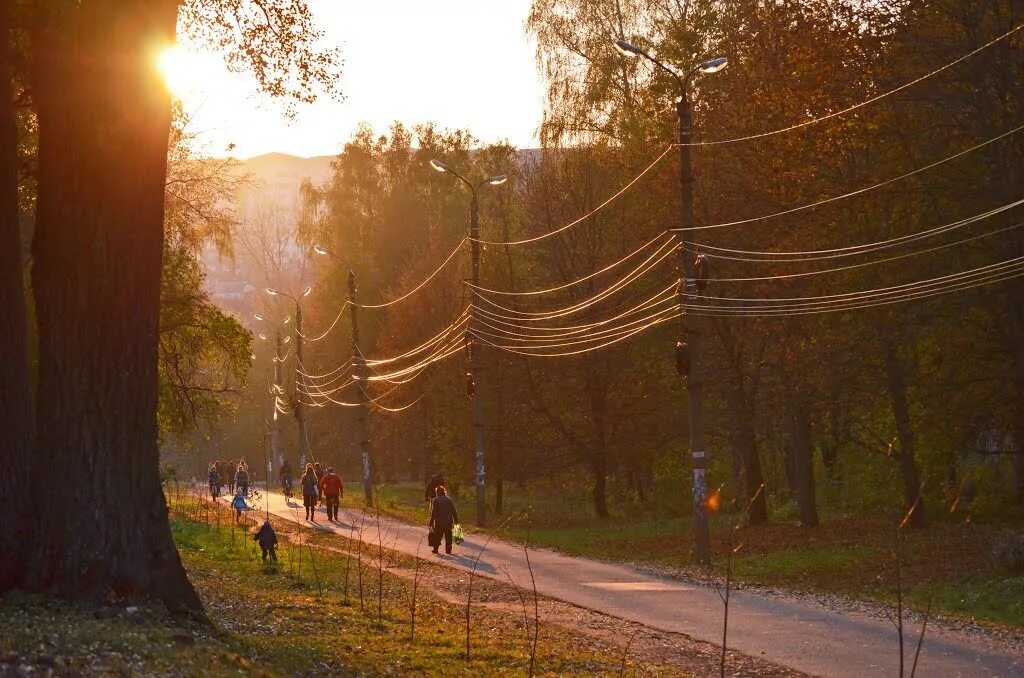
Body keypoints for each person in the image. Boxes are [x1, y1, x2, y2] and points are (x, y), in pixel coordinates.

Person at [428, 485, 459, 555]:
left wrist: (431, 522)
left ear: (438, 492)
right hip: (448, 521)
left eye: (436, 491)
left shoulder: (435, 500)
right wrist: (456, 521)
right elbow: (453, 511)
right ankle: (448, 550)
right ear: (444, 492)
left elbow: (434, 512)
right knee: (448, 536)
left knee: (438, 535)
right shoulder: (449, 499)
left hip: (439, 521)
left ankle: (435, 549)